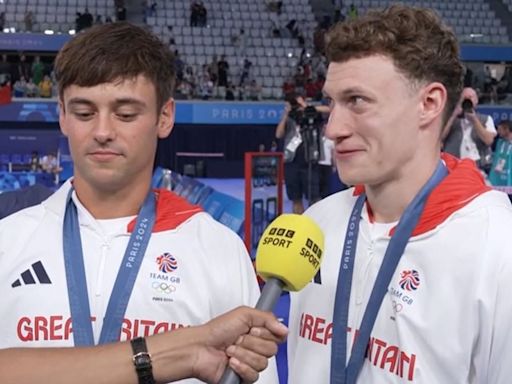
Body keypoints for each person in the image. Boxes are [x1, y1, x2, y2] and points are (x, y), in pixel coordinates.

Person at [0, 22, 283, 384]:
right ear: (62, 115)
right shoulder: (9, 240)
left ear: (164, 117)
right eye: (85, 113)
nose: (102, 131)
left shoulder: (218, 249)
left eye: (126, 114)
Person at [287, 5, 512, 384]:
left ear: (429, 104)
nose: (333, 129)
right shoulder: (316, 225)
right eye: (333, 102)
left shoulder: (498, 246)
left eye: (357, 100)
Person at [275, 94, 324, 213]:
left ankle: (317, 223)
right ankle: (299, 225)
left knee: (314, 197)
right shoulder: (290, 119)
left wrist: (305, 106)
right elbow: (278, 134)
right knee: (295, 198)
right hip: (291, 162)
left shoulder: (312, 117)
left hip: (309, 161)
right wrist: (286, 113)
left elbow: (329, 109)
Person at [442, 87, 496, 174]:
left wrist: (474, 120)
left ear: (476, 101)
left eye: (470, 97)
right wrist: (453, 115)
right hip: (453, 166)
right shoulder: (450, 119)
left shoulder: (486, 119)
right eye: (464, 98)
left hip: (477, 166)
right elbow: (441, 137)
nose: (468, 100)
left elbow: (489, 140)